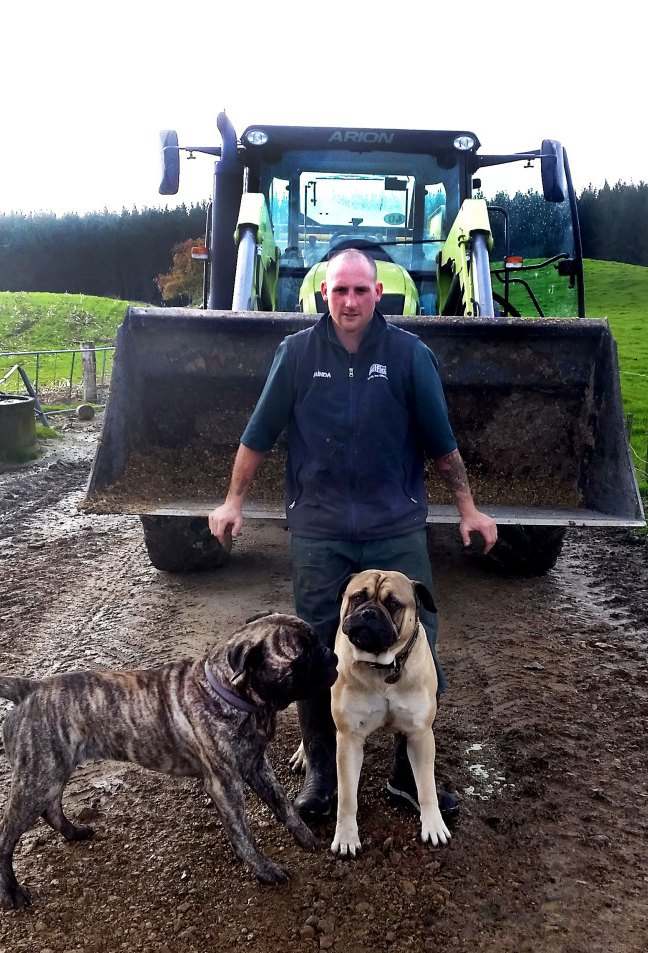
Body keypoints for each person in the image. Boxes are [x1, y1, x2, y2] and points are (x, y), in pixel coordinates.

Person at [208, 248, 497, 820]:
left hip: (394, 527)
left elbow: (441, 442)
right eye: (340, 291)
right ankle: (321, 767)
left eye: (361, 291)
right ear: (323, 293)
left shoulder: (410, 356)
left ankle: (406, 777)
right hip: (320, 529)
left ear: (378, 294)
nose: (350, 301)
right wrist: (233, 500)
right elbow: (258, 435)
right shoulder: (294, 355)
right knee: (314, 649)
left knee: (420, 639)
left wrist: (468, 508)